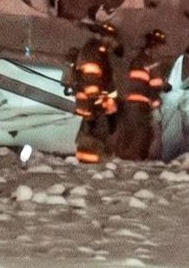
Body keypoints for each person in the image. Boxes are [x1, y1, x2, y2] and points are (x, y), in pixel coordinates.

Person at [65, 22, 122, 164]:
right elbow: (91, 76)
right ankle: (88, 161)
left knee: (92, 129)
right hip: (91, 99)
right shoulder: (93, 50)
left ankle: (91, 159)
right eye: (112, 39)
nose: (113, 43)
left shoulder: (99, 50)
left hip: (94, 99)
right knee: (91, 129)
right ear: (106, 37)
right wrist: (96, 98)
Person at [112, 29, 168, 161]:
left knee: (128, 131)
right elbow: (155, 85)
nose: (160, 51)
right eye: (160, 47)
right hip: (142, 104)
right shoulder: (151, 62)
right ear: (154, 46)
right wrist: (157, 101)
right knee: (141, 132)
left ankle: (122, 156)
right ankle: (134, 158)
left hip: (129, 102)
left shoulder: (137, 60)